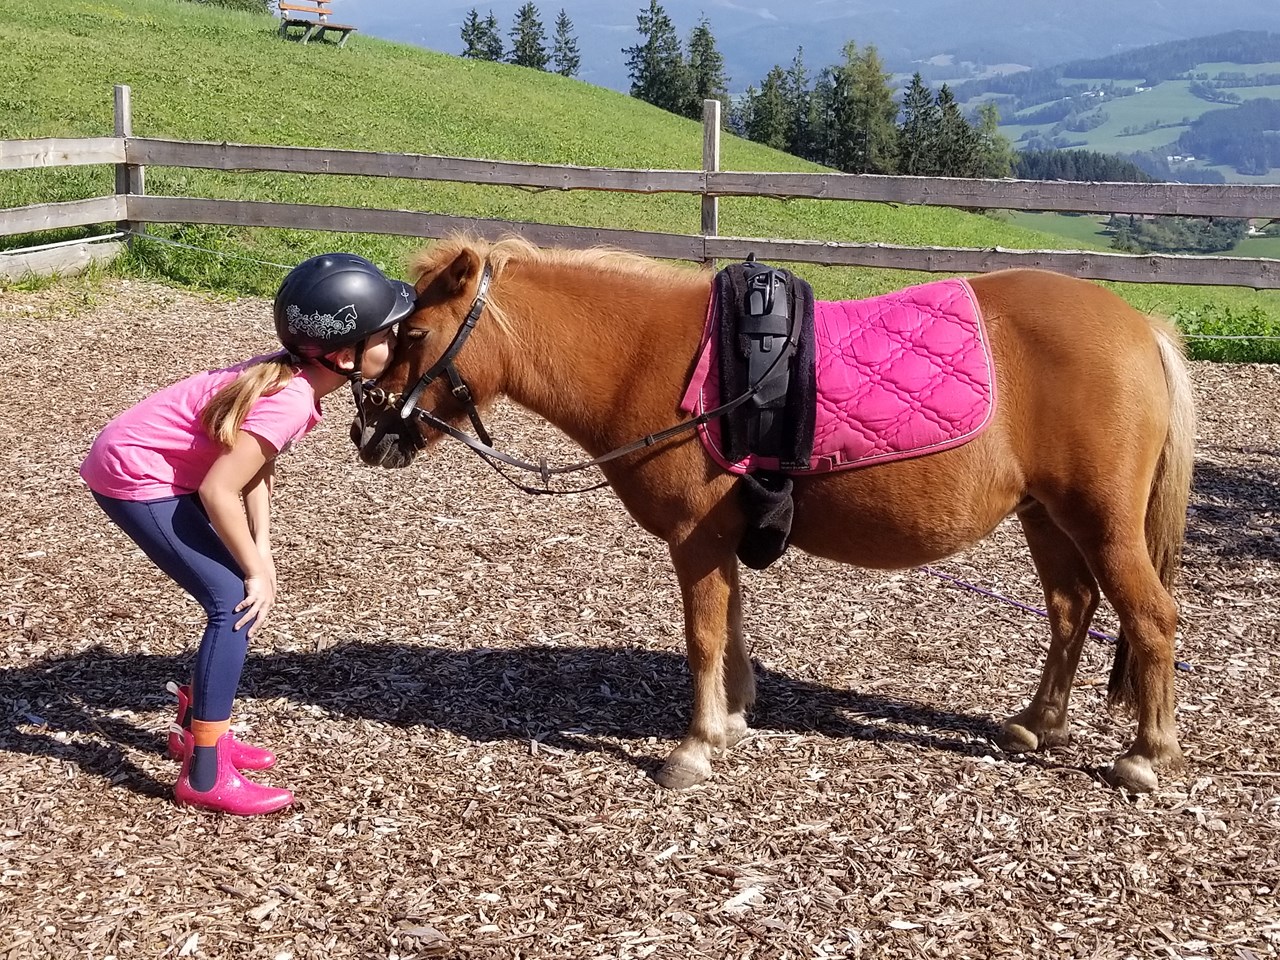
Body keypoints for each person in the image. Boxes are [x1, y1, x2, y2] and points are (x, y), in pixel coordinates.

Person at [80, 253, 415, 816]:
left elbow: (252, 468)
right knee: (232, 600)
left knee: (239, 585)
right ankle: (204, 773)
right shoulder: (292, 399)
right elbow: (218, 490)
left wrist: (261, 548)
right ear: (344, 354)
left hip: (150, 462)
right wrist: (256, 572)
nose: (399, 341)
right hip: (135, 475)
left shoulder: (293, 378)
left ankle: (195, 727)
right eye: (387, 333)